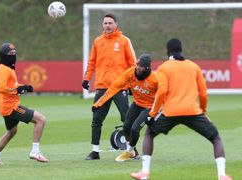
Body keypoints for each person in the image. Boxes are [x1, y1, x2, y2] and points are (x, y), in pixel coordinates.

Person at [131, 39, 232, 180]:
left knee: (149, 133)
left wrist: (152, 114)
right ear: (181, 50)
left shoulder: (164, 68)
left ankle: (144, 173)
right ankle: (221, 175)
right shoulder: (194, 66)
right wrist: (203, 111)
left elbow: (161, 92)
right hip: (193, 112)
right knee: (215, 138)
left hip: (170, 112)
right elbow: (203, 93)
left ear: (168, 51)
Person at [83, 13, 137, 160]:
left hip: (120, 87)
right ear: (103, 25)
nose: (107, 25)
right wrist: (86, 79)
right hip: (102, 87)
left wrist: (133, 85)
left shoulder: (124, 41)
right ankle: (95, 151)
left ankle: (132, 150)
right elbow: (92, 62)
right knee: (96, 120)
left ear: (116, 24)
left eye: (110, 23)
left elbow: (133, 65)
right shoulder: (97, 41)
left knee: (127, 119)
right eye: (105, 23)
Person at [0, 43, 48, 165]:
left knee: (12, 131)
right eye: (10, 54)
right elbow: (1, 88)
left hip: (5, 106)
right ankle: (35, 152)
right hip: (11, 107)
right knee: (41, 119)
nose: (13, 56)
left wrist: (23, 87)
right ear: (4, 55)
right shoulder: (5, 70)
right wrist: (17, 90)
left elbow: (11, 86)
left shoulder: (3, 68)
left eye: (14, 53)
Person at [92, 54, 158, 162]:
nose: (137, 67)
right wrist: (98, 103)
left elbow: (164, 93)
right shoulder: (130, 73)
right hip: (136, 104)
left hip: (149, 107)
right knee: (126, 127)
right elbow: (114, 87)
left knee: (135, 129)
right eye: (137, 64)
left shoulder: (155, 79)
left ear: (147, 68)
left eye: (140, 66)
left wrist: (159, 109)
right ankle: (131, 152)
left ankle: (130, 151)